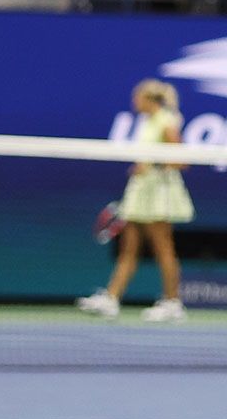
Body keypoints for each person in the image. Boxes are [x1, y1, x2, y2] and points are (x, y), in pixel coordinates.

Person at [78, 81, 191, 321]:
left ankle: (173, 303)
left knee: (163, 248)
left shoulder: (165, 121)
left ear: (149, 100)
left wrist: (150, 165)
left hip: (158, 193)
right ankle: (112, 298)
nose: (134, 102)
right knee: (128, 249)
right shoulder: (147, 121)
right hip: (140, 192)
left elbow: (181, 160)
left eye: (137, 97)